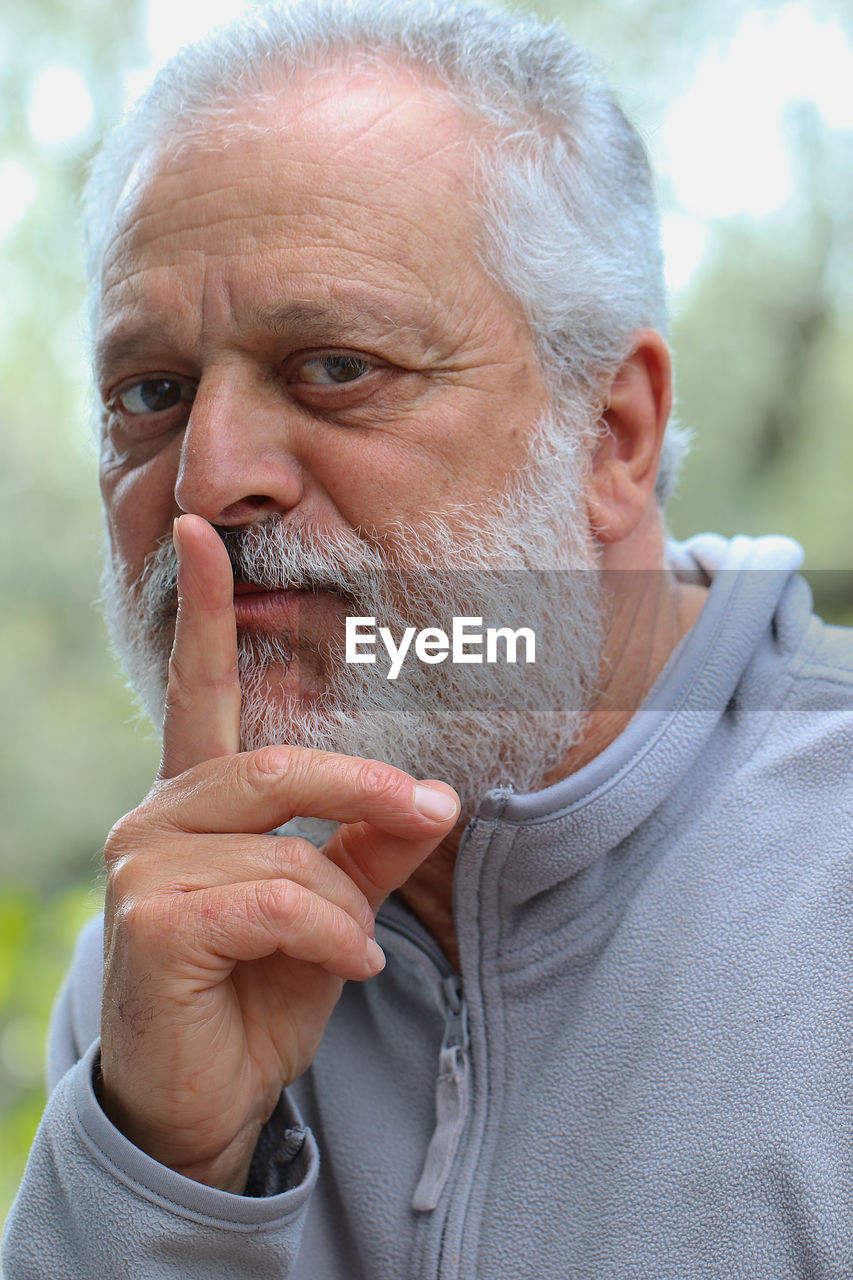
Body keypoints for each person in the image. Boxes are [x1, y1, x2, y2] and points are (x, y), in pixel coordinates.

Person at [4, 0, 853, 1275]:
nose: (207, 479)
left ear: (609, 435)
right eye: (151, 393)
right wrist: (161, 1173)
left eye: (334, 366)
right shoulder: (168, 941)